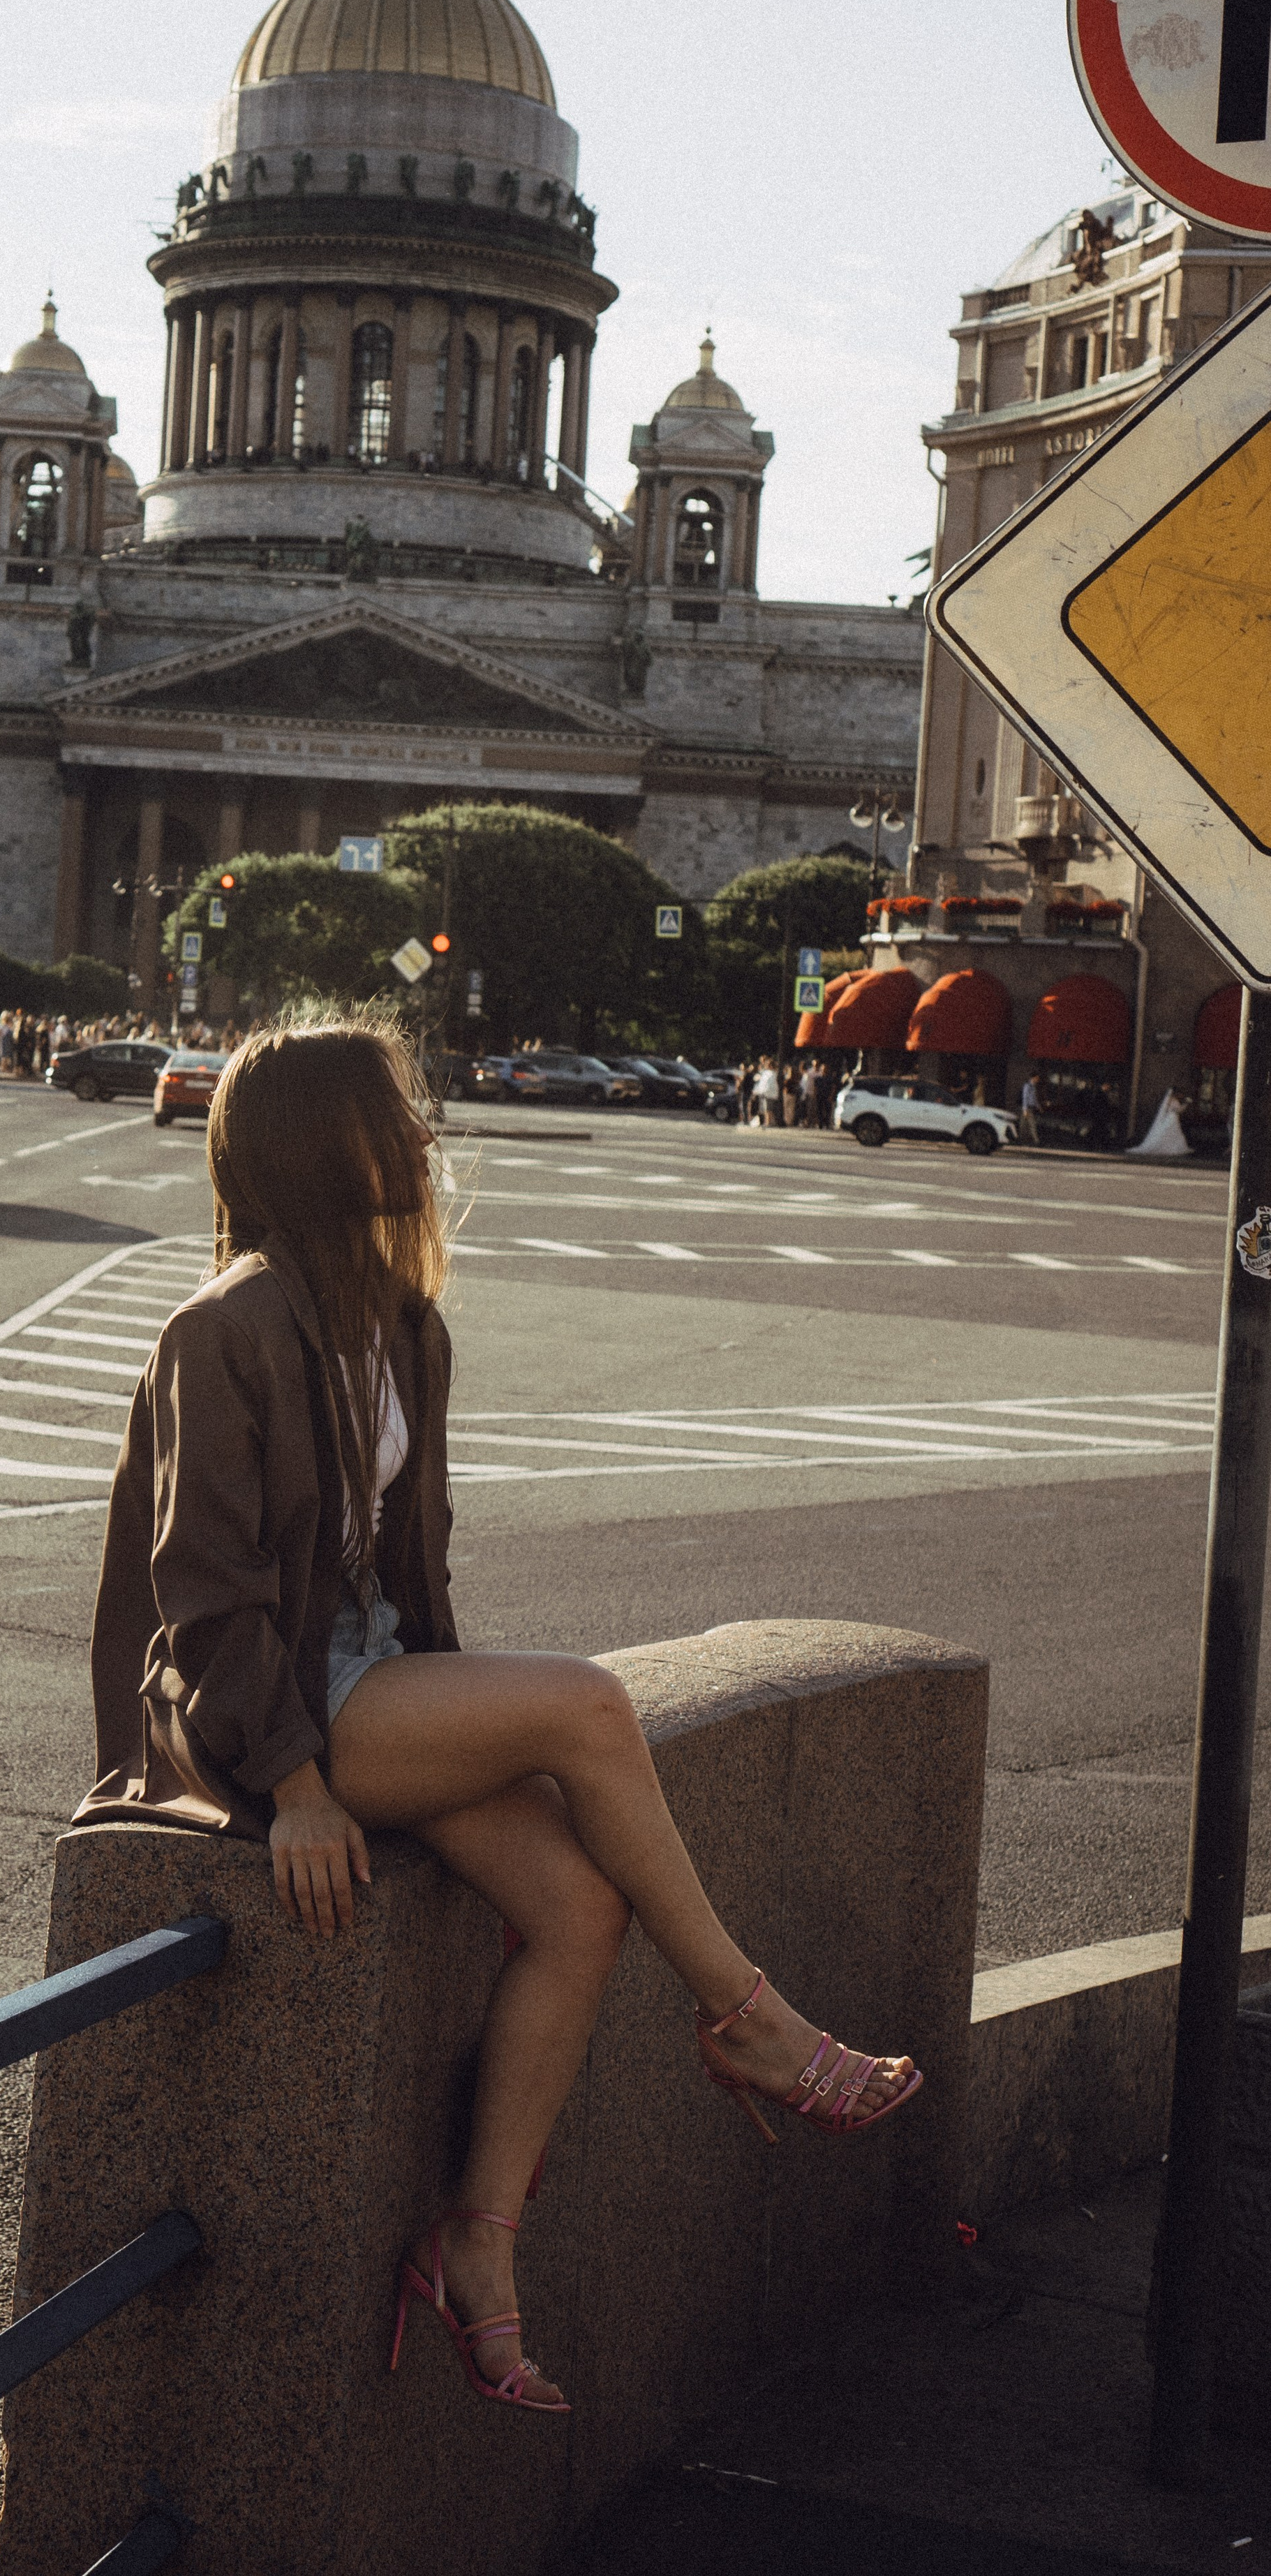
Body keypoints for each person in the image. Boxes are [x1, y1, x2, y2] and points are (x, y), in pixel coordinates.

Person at [81, 1013, 922, 2416]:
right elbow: (205, 1596)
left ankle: (472, 2243)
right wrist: (294, 1786)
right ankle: (750, 2023)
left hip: (363, 1674)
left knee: (580, 1911)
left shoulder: (400, 1328)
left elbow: (404, 1576)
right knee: (590, 1708)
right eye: (392, 1112)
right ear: (318, 1143)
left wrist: (447, 1724)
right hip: (263, 1709)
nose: (422, 1131)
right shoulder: (224, 1325)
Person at [1018, 1072, 1042, 1146]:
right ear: (1033, 1078)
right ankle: (1036, 1141)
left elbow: (1034, 1099)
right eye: (1037, 1078)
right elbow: (1025, 1098)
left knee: (1024, 1125)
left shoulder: (1033, 1087)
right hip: (1027, 1108)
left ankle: (1023, 1140)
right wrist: (1025, 1109)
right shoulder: (1027, 1086)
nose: (1038, 1080)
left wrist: (1039, 1107)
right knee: (1030, 1124)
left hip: (1031, 1108)